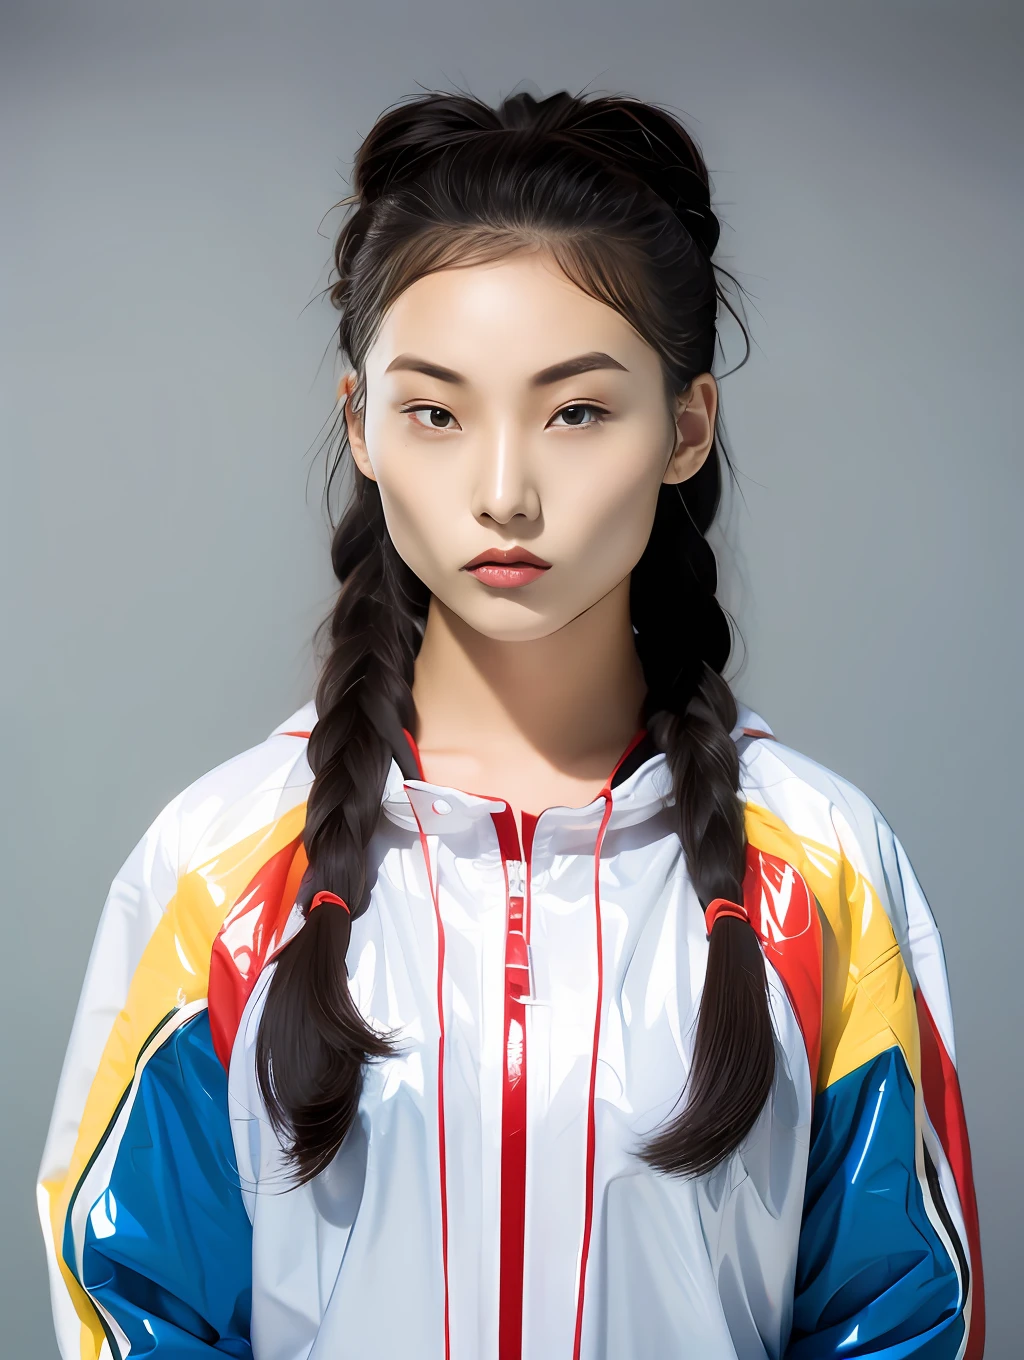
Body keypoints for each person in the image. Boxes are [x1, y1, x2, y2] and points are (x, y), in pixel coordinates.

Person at [37, 88, 984, 1360]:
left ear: (685, 427)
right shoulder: (216, 869)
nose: (503, 490)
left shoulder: (821, 866)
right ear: (359, 426)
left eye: (576, 410)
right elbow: (132, 1306)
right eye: (435, 410)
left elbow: (903, 1316)